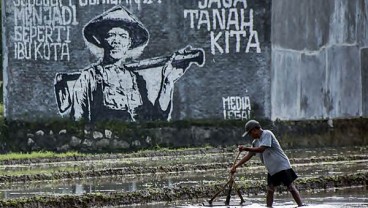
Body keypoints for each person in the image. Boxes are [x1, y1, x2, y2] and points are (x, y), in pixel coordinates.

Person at [54, 5, 204, 122]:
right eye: (111, 35)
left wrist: (168, 81)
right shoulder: (89, 77)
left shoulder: (137, 80)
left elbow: (155, 120)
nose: (116, 41)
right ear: (102, 41)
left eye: (123, 36)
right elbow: (78, 122)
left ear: (129, 44)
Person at [230, 120, 304, 207]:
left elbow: (262, 149)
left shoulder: (267, 134)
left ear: (255, 130)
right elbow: (249, 156)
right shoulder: (255, 142)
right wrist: (235, 166)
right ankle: (269, 207)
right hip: (272, 169)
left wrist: (246, 148)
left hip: (282, 166)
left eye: (250, 133)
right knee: (270, 189)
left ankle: (300, 205)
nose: (250, 136)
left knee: (290, 187)